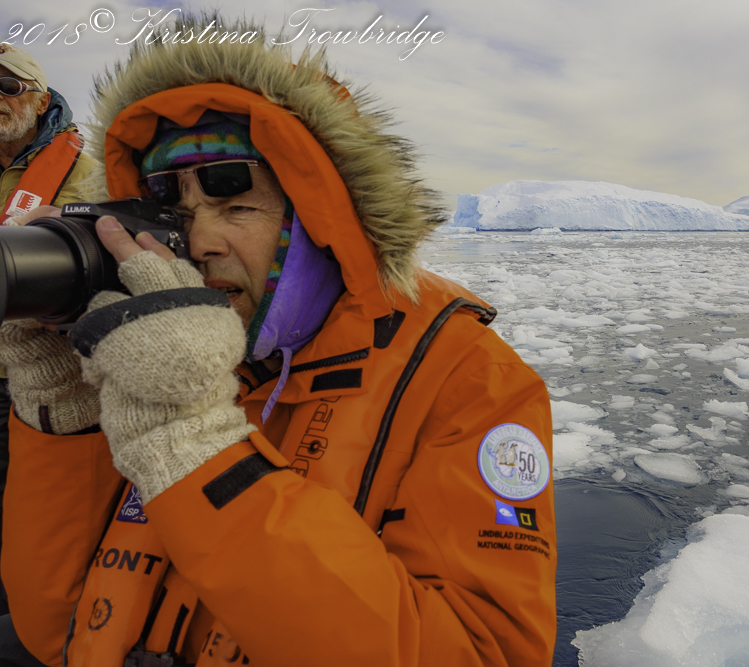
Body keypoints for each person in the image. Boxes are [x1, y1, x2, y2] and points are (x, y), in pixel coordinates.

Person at [0, 16, 556, 667]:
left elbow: (482, 654)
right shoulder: (152, 358)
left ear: (322, 220)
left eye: (237, 205)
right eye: (175, 211)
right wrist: (66, 409)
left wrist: (196, 448)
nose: (199, 241)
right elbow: (58, 629)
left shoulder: (470, 382)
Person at [0, 43, 95, 623]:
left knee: (24, 523)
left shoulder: (88, 173)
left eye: (7, 86)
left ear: (39, 100)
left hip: (34, 381)